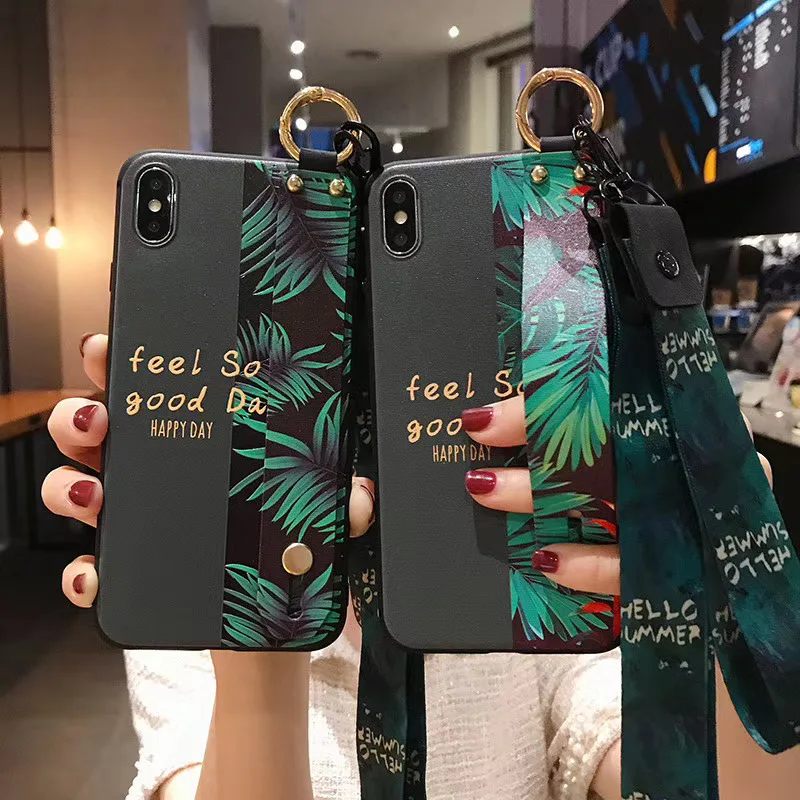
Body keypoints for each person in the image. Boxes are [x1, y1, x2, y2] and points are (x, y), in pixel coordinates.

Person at [44, 334, 796, 800]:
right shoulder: (193, 588)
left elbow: (726, 784)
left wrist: (728, 595)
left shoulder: (526, 573)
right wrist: (263, 637)